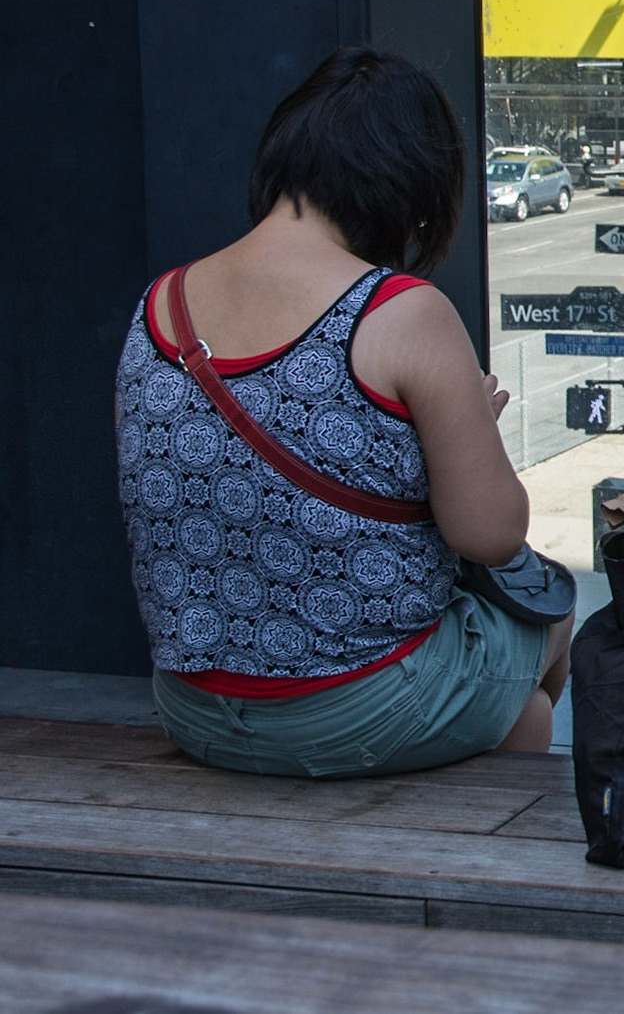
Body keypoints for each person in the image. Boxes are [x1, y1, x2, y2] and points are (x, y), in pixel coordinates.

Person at [115, 47, 570, 777]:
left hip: (192, 708)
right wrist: (471, 434)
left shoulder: (160, 304)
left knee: (526, 716)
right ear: (413, 181)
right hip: (354, 709)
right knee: (551, 608)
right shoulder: (400, 311)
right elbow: (491, 536)